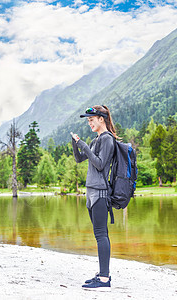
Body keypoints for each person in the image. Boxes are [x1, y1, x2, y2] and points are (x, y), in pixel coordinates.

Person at [71, 105, 117, 291]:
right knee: (99, 234)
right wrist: (76, 144)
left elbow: (99, 165)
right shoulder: (96, 139)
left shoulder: (107, 140)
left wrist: (83, 144)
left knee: (101, 234)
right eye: (88, 120)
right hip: (90, 193)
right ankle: (102, 274)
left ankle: (105, 278)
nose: (89, 122)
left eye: (91, 119)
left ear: (101, 119)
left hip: (99, 193)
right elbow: (79, 159)